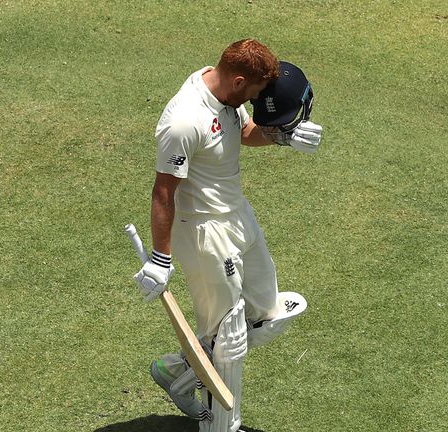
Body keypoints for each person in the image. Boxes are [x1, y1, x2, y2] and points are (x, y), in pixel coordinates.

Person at [133, 39, 321, 432]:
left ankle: (178, 371)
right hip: (204, 233)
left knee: (270, 312)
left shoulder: (224, 92)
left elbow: (246, 130)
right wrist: (160, 257)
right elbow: (163, 191)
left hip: (239, 216)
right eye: (254, 93)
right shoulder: (184, 121)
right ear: (238, 82)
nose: (258, 101)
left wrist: (282, 137)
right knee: (229, 338)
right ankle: (222, 427)